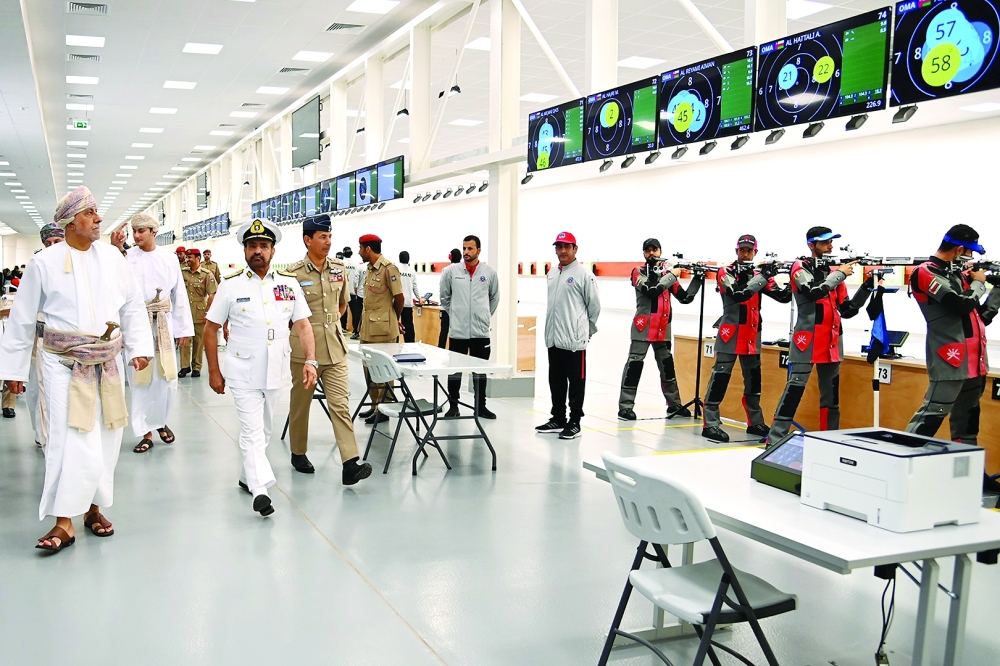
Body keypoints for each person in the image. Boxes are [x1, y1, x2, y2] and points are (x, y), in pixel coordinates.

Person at [0, 185, 154, 552]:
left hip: (107, 362)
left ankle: (94, 509)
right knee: (69, 440)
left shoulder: (114, 259)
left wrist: (140, 347)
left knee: (107, 436)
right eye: (89, 213)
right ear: (69, 222)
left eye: (97, 211)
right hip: (62, 366)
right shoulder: (44, 263)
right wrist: (14, 371)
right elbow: (21, 321)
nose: (98, 218)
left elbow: (132, 306)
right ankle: (64, 521)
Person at [204, 218, 317, 517]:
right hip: (242, 369)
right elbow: (210, 328)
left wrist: (310, 360)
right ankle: (260, 490)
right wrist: (214, 371)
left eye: (263, 246)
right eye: (252, 246)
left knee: (264, 430)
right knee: (252, 430)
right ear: (244, 250)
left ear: (272, 251)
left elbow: (304, 325)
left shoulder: (288, 284)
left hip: (277, 367)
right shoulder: (230, 285)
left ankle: (246, 476)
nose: (257, 251)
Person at [905, 224, 1000, 491]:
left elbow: (980, 317)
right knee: (930, 417)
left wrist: (997, 291)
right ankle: (898, 468)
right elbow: (960, 304)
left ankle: (970, 479)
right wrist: (980, 282)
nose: (969, 259)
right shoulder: (926, 272)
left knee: (967, 424)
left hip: (975, 360)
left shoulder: (956, 275)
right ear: (959, 249)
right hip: (950, 357)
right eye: (968, 253)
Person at [285, 214, 373, 483]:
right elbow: (287, 314)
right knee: (301, 404)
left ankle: (350, 462)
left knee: (340, 405)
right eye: (322, 237)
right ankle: (298, 452)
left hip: (335, 348)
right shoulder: (292, 273)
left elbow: (343, 305)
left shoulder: (338, 268)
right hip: (304, 351)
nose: (328, 242)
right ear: (307, 240)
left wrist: (330, 324)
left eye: (330, 236)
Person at [766, 227, 873, 442]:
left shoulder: (833, 272)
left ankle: (829, 439)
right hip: (808, 339)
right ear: (811, 245)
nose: (830, 246)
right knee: (794, 390)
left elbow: (847, 310)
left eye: (830, 242)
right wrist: (840, 273)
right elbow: (813, 292)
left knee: (831, 397)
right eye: (825, 243)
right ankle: (775, 438)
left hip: (832, 341)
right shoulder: (800, 266)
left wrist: (867, 287)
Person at [111, 213, 194, 453]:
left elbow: (179, 295)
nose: (136, 236)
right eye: (134, 231)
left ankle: (158, 421)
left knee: (167, 380)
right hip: (136, 324)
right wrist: (117, 248)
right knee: (140, 380)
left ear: (153, 232)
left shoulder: (169, 258)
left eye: (142, 231)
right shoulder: (126, 258)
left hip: (164, 324)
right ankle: (144, 432)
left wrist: (183, 329)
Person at [702, 235, 791, 442]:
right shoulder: (726, 272)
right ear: (736, 252)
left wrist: (788, 278)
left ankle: (755, 422)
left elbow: (783, 297)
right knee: (720, 377)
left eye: (749, 251)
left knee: (754, 380)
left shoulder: (759, 274)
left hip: (752, 333)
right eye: (742, 250)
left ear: (755, 253)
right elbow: (738, 293)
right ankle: (711, 423)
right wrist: (763, 277)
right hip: (730, 332)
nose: (745, 254)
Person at [617, 238, 704, 422]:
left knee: (667, 369)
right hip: (643, 328)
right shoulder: (638, 272)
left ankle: (674, 404)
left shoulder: (667, 274)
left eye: (654, 250)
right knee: (634, 367)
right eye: (647, 250)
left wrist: (698, 278)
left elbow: (686, 298)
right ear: (643, 253)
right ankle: (625, 407)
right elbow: (651, 290)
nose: (651, 253)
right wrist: (672, 274)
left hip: (662, 330)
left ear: (660, 251)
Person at [535, 232, 601, 440]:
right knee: (556, 380)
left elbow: (594, 306)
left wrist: (586, 330)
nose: (562, 251)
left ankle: (575, 422)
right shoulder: (552, 273)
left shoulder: (584, 274)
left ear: (575, 249)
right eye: (559, 247)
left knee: (576, 382)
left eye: (567, 246)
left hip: (574, 341)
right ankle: (558, 418)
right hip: (554, 339)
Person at [439, 235, 500, 419]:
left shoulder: (489, 273)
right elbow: (444, 297)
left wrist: (483, 315)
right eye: (464, 248)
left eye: (470, 249)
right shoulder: (451, 272)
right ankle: (453, 406)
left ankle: (480, 406)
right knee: (454, 371)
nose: (466, 252)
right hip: (458, 331)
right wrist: (457, 313)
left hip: (480, 333)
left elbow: (494, 298)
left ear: (478, 250)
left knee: (480, 372)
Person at [357, 234, 404, 425]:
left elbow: (399, 298)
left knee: (383, 371)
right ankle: (375, 405)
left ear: (368, 249)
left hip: (383, 328)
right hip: (368, 327)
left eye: (361, 248)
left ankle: (386, 406)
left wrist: (394, 318)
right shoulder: (369, 269)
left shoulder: (389, 269)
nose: (359, 252)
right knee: (369, 370)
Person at [180, 248, 218, 378]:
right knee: (184, 339)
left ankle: (196, 366)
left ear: (197, 258)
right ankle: (184, 366)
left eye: (190, 257)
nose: (187, 259)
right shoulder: (182, 273)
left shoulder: (207, 274)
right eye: (187, 257)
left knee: (198, 340)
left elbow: (212, 294)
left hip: (199, 310)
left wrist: (207, 311)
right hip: (184, 311)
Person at [438, 248, 462, 348]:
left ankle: (441, 349)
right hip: (459, 308)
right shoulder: (463, 270)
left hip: (446, 308)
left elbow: (442, 289)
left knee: (444, 331)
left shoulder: (446, 270)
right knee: (458, 333)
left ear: (450, 257)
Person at [397, 251, 421, 343]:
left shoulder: (396, 268)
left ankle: (394, 343)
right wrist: (419, 298)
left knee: (395, 325)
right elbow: (415, 287)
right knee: (408, 326)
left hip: (396, 302)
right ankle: (410, 344)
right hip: (407, 303)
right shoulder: (412, 271)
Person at [341, 246, 362, 336]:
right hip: (353, 291)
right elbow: (356, 278)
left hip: (343, 291)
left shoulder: (341, 263)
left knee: (342, 309)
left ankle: (342, 327)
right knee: (355, 312)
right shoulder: (356, 264)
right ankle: (355, 329)